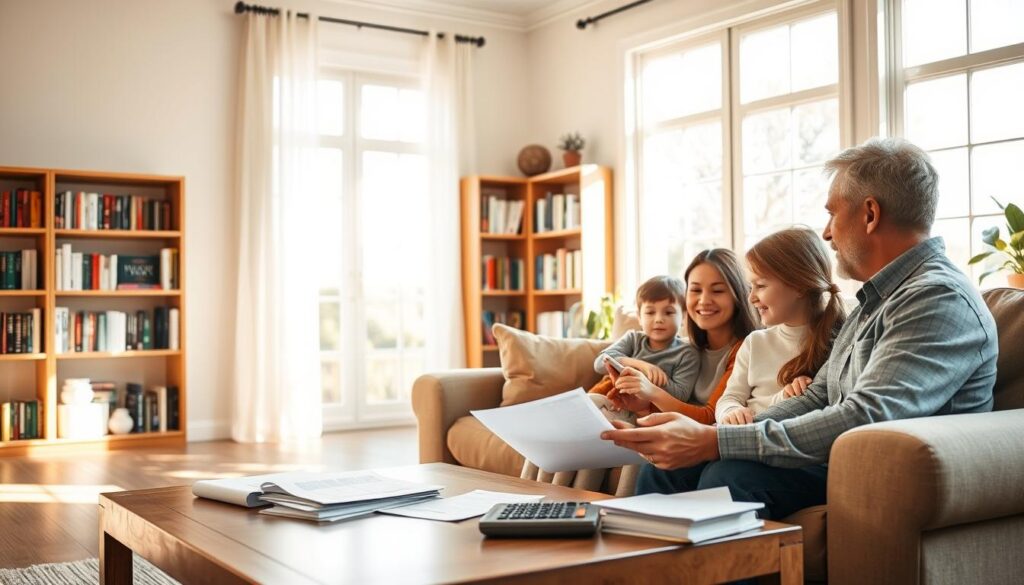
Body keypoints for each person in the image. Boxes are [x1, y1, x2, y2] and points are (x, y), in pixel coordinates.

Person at [604, 137, 998, 520]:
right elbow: (820, 395)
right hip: (838, 454)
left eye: (832, 213)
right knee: (666, 468)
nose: (827, 233)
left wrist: (714, 442)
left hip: (881, 470)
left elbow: (866, 416)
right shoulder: (876, 299)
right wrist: (710, 435)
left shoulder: (935, 298)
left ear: (870, 214)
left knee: (727, 477)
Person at [607, 250, 760, 424]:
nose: (703, 300)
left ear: (737, 295)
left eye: (717, 291)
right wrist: (641, 406)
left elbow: (709, 416)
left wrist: (652, 392)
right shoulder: (686, 348)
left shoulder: (745, 350)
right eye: (695, 290)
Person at [715, 228, 847, 426]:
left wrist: (786, 396)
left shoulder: (837, 344)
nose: (751, 298)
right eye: (751, 287)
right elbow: (729, 397)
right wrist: (731, 411)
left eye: (760, 286)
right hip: (737, 433)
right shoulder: (755, 342)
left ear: (799, 286)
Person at [589, 275, 700, 422]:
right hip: (611, 400)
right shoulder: (633, 338)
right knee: (588, 405)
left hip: (649, 414)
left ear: (684, 317)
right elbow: (599, 364)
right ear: (639, 317)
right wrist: (639, 364)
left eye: (668, 312)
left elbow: (681, 395)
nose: (658, 319)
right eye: (650, 312)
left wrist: (660, 382)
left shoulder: (687, 353)